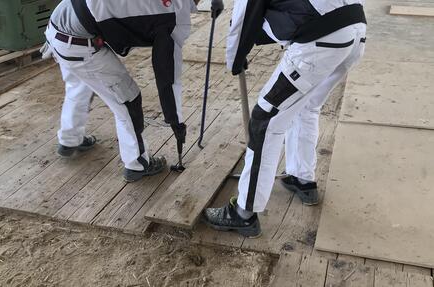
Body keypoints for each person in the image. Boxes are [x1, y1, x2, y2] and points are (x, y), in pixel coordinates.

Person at [202, 0, 367, 238]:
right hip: (354, 32)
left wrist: (235, 60)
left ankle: (244, 213)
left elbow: (244, 18)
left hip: (321, 40)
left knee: (264, 121)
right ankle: (302, 179)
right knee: (307, 106)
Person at [42, 0, 223, 182]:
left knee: (80, 85)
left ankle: (69, 139)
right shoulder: (174, 16)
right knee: (128, 100)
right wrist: (176, 121)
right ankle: (137, 164)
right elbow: (168, 76)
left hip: (59, 24)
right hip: (80, 42)